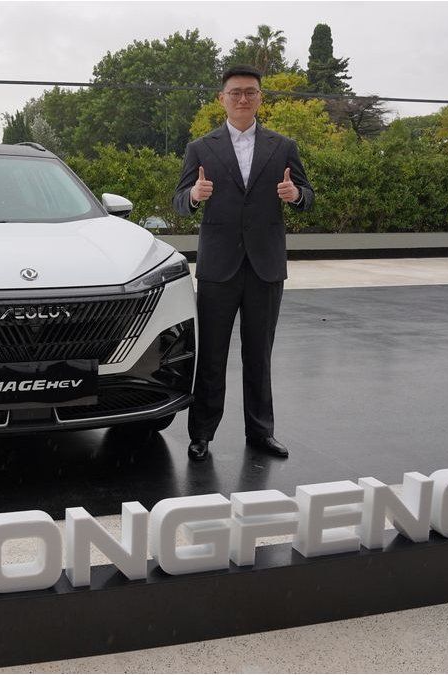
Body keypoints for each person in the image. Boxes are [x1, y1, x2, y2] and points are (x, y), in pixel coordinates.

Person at [172, 65, 314, 463]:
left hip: (266, 266)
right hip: (219, 268)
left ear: (260, 98)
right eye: (235, 92)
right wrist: (195, 195)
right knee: (211, 356)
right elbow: (179, 202)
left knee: (259, 355)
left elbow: (308, 195)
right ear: (222, 98)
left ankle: (261, 433)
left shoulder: (283, 146)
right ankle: (201, 435)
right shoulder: (201, 148)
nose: (243, 98)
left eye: (250, 92)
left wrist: (295, 195)